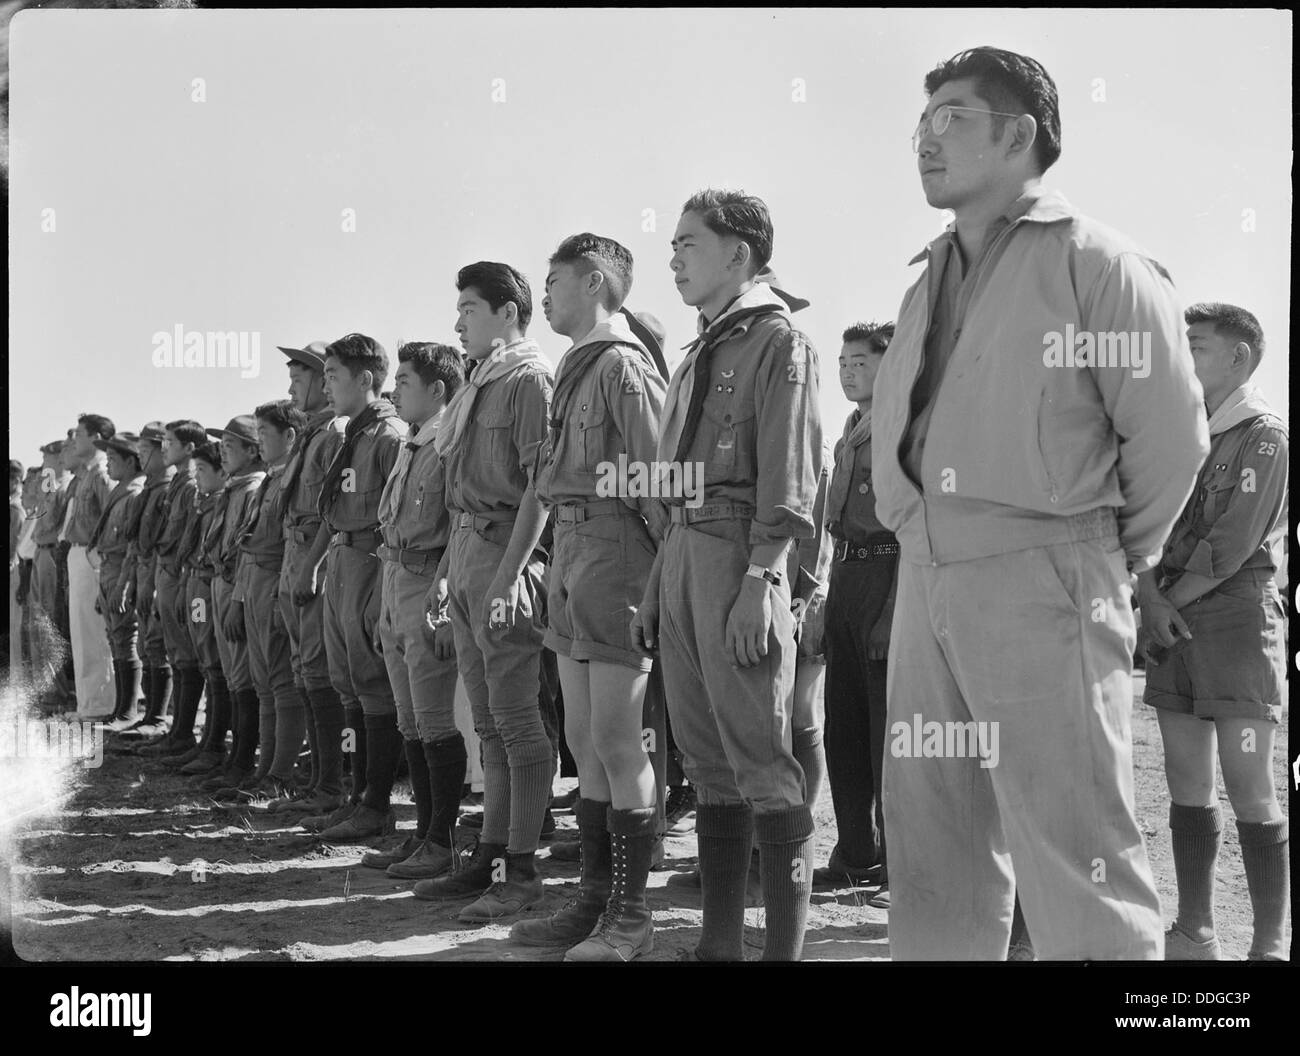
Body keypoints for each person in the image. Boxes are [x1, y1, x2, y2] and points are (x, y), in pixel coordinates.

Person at [870, 46, 1208, 959]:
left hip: (1047, 572)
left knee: (1074, 849)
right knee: (934, 849)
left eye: (951, 118)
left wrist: (1092, 553)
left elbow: (1172, 438)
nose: (925, 141)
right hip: (926, 576)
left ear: (1018, 135)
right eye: (921, 122)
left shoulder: (1099, 262)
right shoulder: (922, 281)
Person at [632, 189, 825, 961]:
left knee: (762, 764)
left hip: (739, 557)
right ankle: (720, 945)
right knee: (709, 762)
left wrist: (762, 579)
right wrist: (655, 584)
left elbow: (790, 473)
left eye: (687, 243)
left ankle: (780, 953)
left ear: (737, 254)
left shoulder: (779, 343)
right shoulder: (704, 346)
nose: (672, 257)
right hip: (682, 553)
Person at [510, 233, 668, 961]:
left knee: (615, 737)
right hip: (573, 552)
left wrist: (661, 586)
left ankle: (630, 917)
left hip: (615, 555)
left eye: (555, 282)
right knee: (583, 741)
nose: (544, 298)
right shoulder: (576, 368)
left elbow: (659, 487)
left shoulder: (623, 368)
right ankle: (594, 898)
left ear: (596, 281)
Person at [1139, 303, 1288, 962]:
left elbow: (1230, 545)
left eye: (1193, 347)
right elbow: (1136, 526)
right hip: (1172, 615)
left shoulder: (1265, 437)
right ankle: (1195, 931)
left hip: (1236, 620)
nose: (1179, 358)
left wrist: (1163, 600)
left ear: (1239, 358)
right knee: (1186, 780)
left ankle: (1269, 945)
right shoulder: (1174, 435)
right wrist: (1148, 598)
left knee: (1249, 781)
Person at [414, 262, 555, 923]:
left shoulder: (527, 379)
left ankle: (521, 872)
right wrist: (447, 572)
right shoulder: (478, 384)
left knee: (518, 722)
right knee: (491, 726)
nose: (459, 321)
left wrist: (504, 579)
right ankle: (492, 856)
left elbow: (538, 488)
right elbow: (458, 497)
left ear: (507, 313)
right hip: (469, 549)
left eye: (470, 308)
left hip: (505, 554)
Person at [363, 341, 469, 878]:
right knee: (409, 720)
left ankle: (441, 842)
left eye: (404, 381)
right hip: (395, 575)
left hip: (428, 578)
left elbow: (458, 523)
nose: (395, 390)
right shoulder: (412, 444)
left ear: (437, 390)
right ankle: (423, 834)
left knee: (433, 721)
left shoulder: (449, 445)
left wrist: (445, 594)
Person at [305, 334, 406, 840]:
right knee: (346, 682)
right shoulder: (353, 433)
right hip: (344, 557)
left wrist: (382, 583)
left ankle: (378, 803)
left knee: (373, 683)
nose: (325, 384)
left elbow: (398, 517)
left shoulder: (388, 437)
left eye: (333, 375)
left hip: (372, 559)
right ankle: (356, 794)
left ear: (365, 379)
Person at [814, 322, 895, 905]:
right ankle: (854, 851)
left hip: (887, 573)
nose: (847, 369)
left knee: (887, 732)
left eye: (861, 361)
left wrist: (894, 613)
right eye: (842, 360)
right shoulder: (850, 431)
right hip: (845, 574)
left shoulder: (897, 429)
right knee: (844, 723)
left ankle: (901, 864)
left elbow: (911, 531)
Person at [265, 343, 349, 818]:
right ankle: (317, 780)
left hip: (314, 553)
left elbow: (332, 511)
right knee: (302, 672)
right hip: (295, 550)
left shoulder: (333, 433)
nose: (292, 384)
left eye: (300, 376)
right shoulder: (311, 434)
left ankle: (330, 785)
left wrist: (311, 565)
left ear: (321, 379)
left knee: (320, 675)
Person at [215, 399, 309, 801]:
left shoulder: (293, 477)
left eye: (265, 433)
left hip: (274, 582)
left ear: (289, 436)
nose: (261, 441)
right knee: (264, 683)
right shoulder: (270, 479)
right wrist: (238, 598)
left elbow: (287, 543)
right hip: (251, 581)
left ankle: (280, 774)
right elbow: (246, 546)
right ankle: (264, 768)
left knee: (283, 683)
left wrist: (277, 592)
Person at [197, 416, 267, 792]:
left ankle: (242, 760)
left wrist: (237, 597)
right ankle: (230, 756)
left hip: (237, 585)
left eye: (229, 446)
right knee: (228, 671)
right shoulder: (233, 488)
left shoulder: (253, 488)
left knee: (243, 675)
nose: (222, 453)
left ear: (253, 451)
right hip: (220, 583)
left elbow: (246, 549)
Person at [138, 420, 207, 762]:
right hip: (167, 572)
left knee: (186, 656)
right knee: (176, 654)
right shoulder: (178, 483)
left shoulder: (192, 486)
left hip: (180, 575)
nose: (164, 448)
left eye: (170, 442)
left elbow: (187, 539)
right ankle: (176, 731)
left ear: (190, 448)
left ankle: (183, 734)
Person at [114, 423, 177, 739]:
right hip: (140, 572)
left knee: (156, 643)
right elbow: (133, 543)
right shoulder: (148, 492)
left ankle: (158, 717)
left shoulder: (167, 491)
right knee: (145, 643)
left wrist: (149, 584)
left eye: (145, 450)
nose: (141, 456)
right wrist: (127, 580)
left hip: (156, 573)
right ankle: (149, 715)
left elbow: (161, 544)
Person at [60, 414, 118, 718]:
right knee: (82, 633)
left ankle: (99, 704)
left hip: (93, 555)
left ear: (96, 437)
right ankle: (88, 703)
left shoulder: (102, 474)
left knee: (94, 633)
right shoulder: (87, 474)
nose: (73, 440)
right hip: (80, 553)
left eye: (79, 434)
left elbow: (112, 521)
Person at [87, 432, 146, 730]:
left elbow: (132, 544)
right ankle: (120, 710)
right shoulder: (120, 491)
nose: (108, 465)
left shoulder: (134, 493)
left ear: (131, 461)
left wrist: (123, 582)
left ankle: (128, 711)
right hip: (109, 567)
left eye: (113, 459)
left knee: (126, 637)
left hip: (122, 567)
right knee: (116, 639)